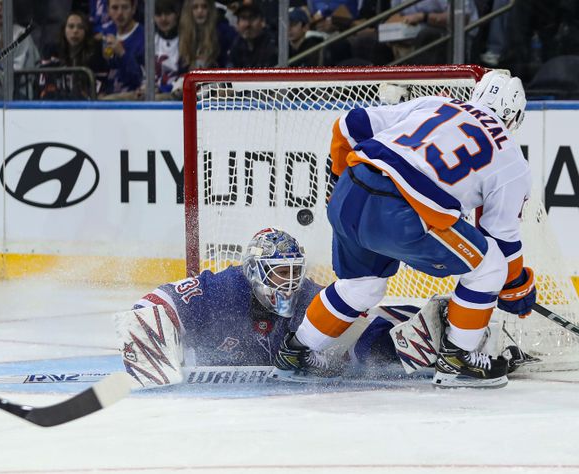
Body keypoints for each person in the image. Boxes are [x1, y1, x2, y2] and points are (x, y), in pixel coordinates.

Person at [271, 70, 535, 389]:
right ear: (514, 116)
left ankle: (297, 352)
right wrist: (516, 289)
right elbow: (502, 242)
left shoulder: (436, 103)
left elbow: (349, 125)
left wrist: (335, 183)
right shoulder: (510, 158)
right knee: (489, 264)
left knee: (362, 286)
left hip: (349, 192)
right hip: (402, 214)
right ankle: (457, 359)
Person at [114, 228, 456, 387]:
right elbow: (157, 303)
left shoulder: (308, 296)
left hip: (272, 407)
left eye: (294, 272)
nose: (289, 283)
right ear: (254, 272)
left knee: (365, 345)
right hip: (223, 419)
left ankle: (439, 335)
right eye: (279, 272)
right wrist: (148, 330)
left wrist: (339, 356)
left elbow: (356, 324)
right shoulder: (224, 290)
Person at [43, 11, 109, 98]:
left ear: (86, 31)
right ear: (64, 30)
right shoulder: (51, 51)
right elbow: (43, 86)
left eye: (80, 27)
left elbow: (101, 89)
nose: (75, 31)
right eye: (71, 26)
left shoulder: (96, 56)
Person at [100, 0, 145, 98]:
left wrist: (122, 53)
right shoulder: (106, 32)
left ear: (133, 9)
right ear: (108, 10)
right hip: (108, 94)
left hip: (134, 95)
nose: (120, 13)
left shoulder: (144, 36)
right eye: (115, 8)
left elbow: (140, 78)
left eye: (125, 7)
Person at [227, 3, 276, 68]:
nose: (247, 24)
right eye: (243, 18)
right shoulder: (237, 44)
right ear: (237, 24)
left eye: (252, 18)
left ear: (263, 22)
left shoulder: (272, 43)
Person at [153, 0, 182, 98]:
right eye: (159, 14)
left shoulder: (186, 40)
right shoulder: (149, 40)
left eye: (168, 13)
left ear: (177, 14)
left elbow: (185, 78)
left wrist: (162, 89)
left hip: (177, 95)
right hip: (150, 92)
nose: (163, 19)